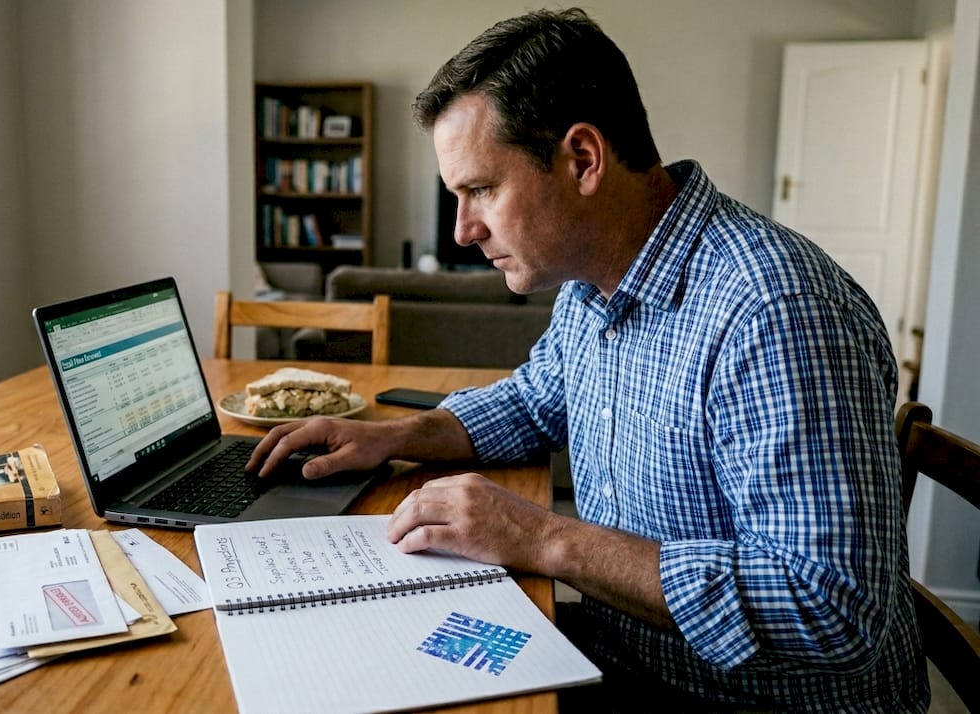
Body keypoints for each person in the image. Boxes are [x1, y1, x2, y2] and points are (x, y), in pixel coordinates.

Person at [246, 8, 928, 712]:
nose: (462, 229)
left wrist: (542, 538)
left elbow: (830, 610)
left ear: (582, 161)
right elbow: (538, 397)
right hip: (621, 649)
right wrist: (396, 436)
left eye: (480, 189)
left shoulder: (775, 312)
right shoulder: (593, 278)